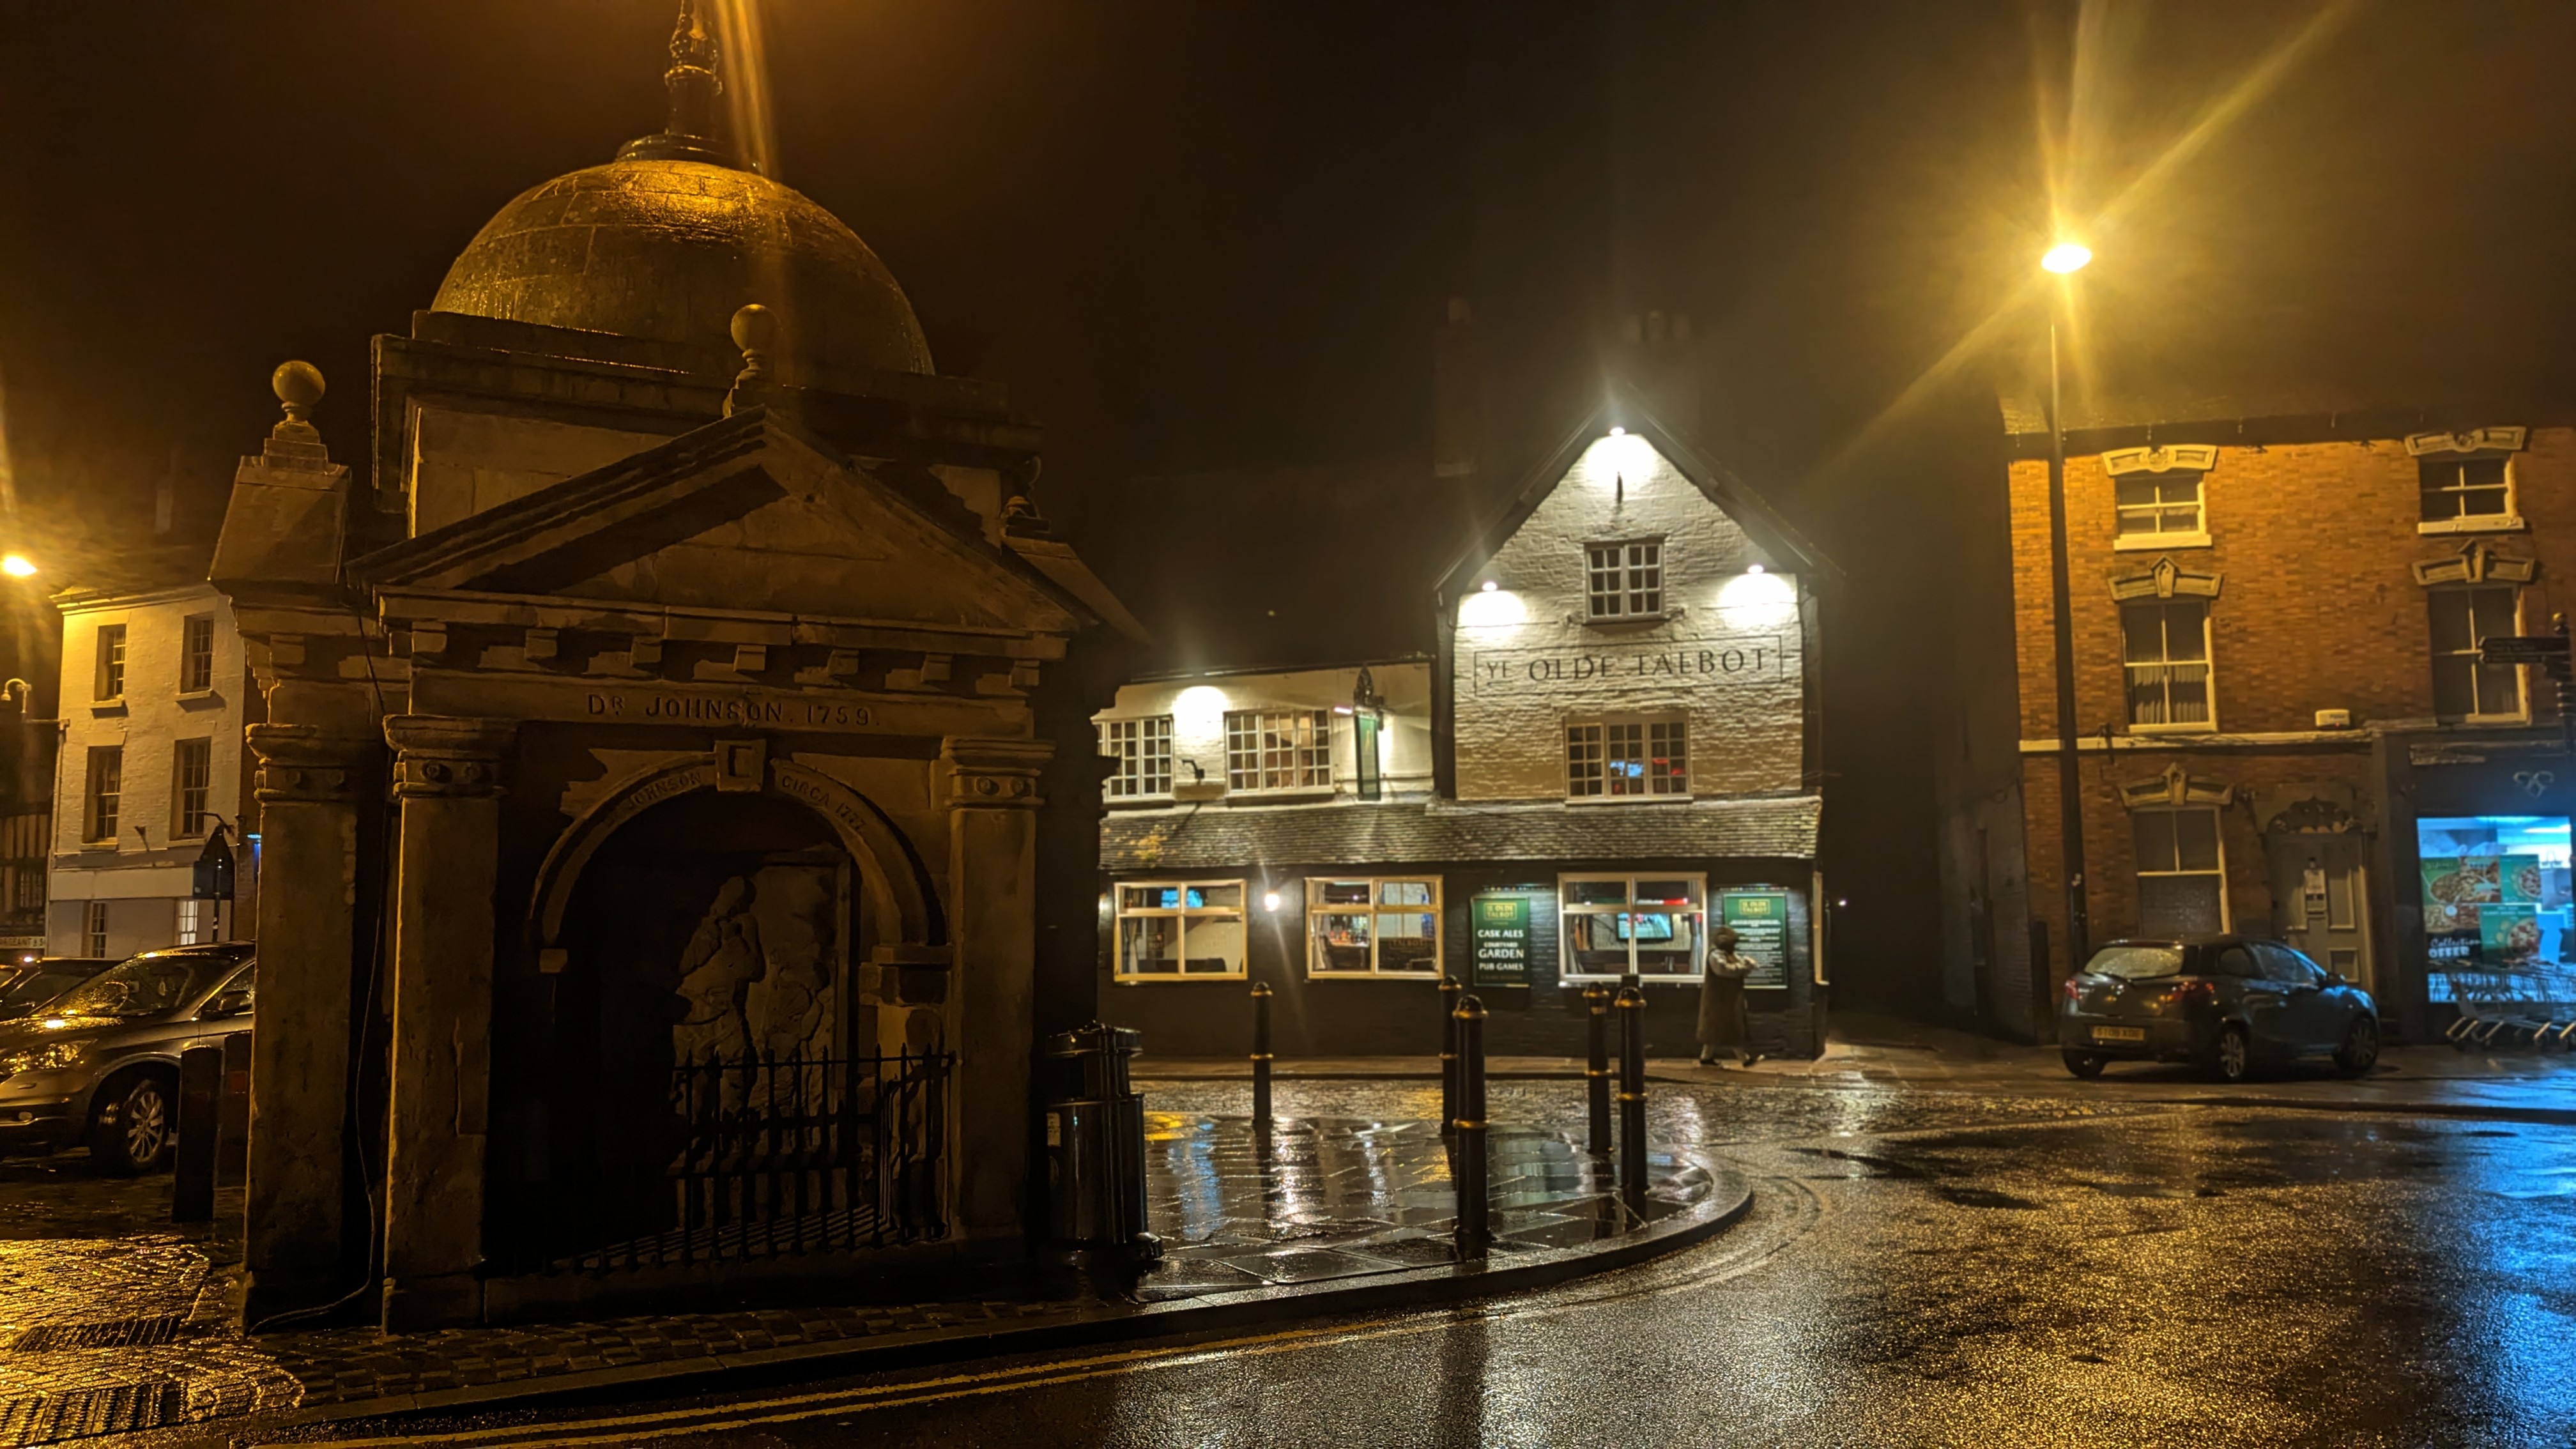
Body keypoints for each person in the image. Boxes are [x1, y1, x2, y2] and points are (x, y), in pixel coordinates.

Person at [1698, 926, 1760, 1066]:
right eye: (1732, 943)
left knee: (1714, 1029)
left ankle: (1706, 1057)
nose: (1734, 946)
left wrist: (1746, 963)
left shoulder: (1728, 954)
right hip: (1719, 1000)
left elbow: (1736, 966)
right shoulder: (1715, 955)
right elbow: (1725, 970)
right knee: (1730, 1028)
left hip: (1727, 998)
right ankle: (1745, 1059)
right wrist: (1745, 967)